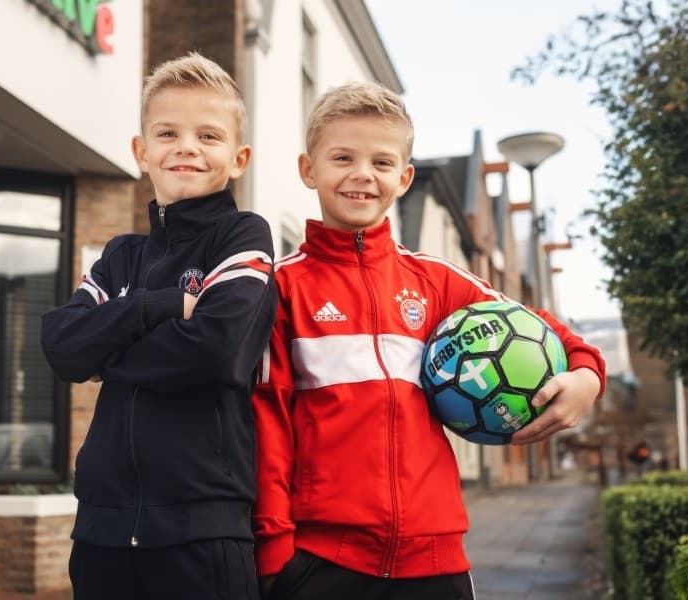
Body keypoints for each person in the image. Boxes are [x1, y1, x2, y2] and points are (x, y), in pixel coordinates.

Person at [252, 81, 606, 600]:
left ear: (404, 176)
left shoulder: (437, 282)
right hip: (320, 562)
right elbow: (268, 426)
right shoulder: (281, 288)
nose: (361, 175)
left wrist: (586, 375)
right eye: (342, 157)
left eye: (381, 161)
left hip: (435, 563)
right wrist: (275, 557)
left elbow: (536, 325)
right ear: (309, 169)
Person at [40, 52, 276, 600]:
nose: (186, 146)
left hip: (202, 532)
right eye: (167, 132)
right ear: (141, 151)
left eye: (208, 135)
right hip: (101, 530)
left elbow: (217, 350)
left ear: (238, 158)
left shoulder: (242, 236)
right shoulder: (121, 255)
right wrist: (158, 306)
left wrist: (107, 348)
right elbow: (60, 346)